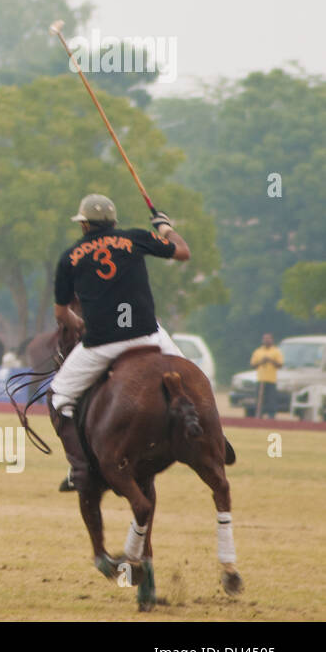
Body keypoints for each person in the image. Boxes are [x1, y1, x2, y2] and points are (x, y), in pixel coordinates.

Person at [47, 193, 189, 489]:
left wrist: (79, 323)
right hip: (149, 333)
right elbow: (182, 252)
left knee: (59, 395)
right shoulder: (135, 238)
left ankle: (81, 470)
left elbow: (61, 313)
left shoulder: (70, 257)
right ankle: (215, 441)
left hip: (102, 343)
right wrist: (164, 226)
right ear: (113, 221)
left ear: (84, 225)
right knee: (193, 381)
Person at [250, 333, 284, 418]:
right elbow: (253, 365)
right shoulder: (258, 351)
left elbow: (280, 365)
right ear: (262, 340)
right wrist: (262, 362)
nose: (266, 340)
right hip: (260, 379)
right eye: (265, 339)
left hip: (271, 380)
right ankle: (259, 415)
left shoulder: (276, 351)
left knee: (271, 400)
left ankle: (271, 417)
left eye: (268, 339)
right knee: (259, 400)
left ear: (272, 340)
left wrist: (270, 360)